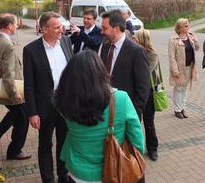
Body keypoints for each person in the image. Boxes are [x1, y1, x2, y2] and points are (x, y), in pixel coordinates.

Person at [54, 50, 144, 182]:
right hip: (114, 170)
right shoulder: (121, 99)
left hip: (78, 172)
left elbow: (57, 94)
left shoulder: (60, 100)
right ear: (101, 72)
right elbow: (137, 138)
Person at [23, 12, 74, 183]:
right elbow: (28, 85)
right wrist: (32, 112)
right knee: (45, 144)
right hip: (44, 107)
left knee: (64, 142)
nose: (62, 29)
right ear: (44, 29)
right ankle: (48, 178)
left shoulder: (66, 42)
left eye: (61, 26)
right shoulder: (30, 50)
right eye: (57, 27)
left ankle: (63, 175)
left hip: (66, 104)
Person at [0, 13, 30, 160]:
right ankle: (14, 151)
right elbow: (8, 72)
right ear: (10, 26)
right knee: (23, 118)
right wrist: (14, 93)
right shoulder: (7, 44)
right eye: (16, 24)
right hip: (10, 87)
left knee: (15, 115)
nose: (17, 26)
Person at [100, 9, 150, 117]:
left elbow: (143, 88)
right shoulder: (105, 47)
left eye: (105, 28)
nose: (101, 32)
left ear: (116, 29)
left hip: (125, 112)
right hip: (105, 109)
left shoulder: (137, 52)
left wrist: (133, 114)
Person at [133, 29, 159, 161]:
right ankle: (136, 149)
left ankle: (153, 149)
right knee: (135, 122)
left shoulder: (152, 54)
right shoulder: (133, 51)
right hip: (134, 92)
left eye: (135, 37)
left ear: (141, 39)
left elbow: (145, 72)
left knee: (149, 122)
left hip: (148, 92)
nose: (133, 39)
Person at [168, 18, 199, 119]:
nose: (188, 27)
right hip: (179, 69)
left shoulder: (190, 37)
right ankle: (177, 109)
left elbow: (197, 48)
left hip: (190, 67)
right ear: (180, 28)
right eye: (186, 26)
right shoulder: (173, 39)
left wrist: (195, 39)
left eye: (188, 25)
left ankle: (182, 108)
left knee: (185, 89)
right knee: (178, 88)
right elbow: (171, 57)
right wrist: (175, 70)